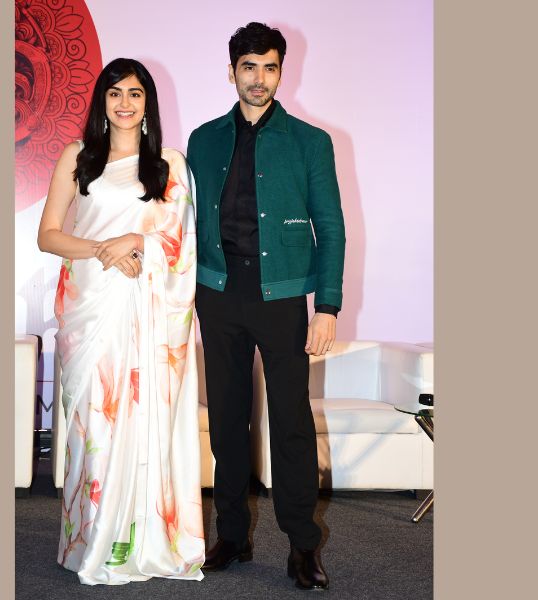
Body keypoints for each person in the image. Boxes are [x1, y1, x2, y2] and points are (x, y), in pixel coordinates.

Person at [187, 23, 345, 591]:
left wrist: (327, 305)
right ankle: (232, 535)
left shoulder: (310, 142)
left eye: (269, 67)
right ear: (231, 71)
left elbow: (330, 227)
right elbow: (183, 221)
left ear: (282, 72)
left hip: (282, 296)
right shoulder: (202, 141)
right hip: (218, 292)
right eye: (249, 67)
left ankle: (303, 545)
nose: (259, 79)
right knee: (228, 421)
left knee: (292, 422)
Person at [37, 58, 205, 586]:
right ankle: (92, 540)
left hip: (148, 313)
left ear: (147, 102)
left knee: (140, 419)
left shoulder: (169, 164)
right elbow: (48, 234)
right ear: (102, 102)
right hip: (90, 308)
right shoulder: (78, 156)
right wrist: (105, 250)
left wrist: (136, 242)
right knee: (94, 425)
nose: (125, 103)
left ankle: (143, 540)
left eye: (135, 93)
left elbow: (181, 242)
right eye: (115, 93)